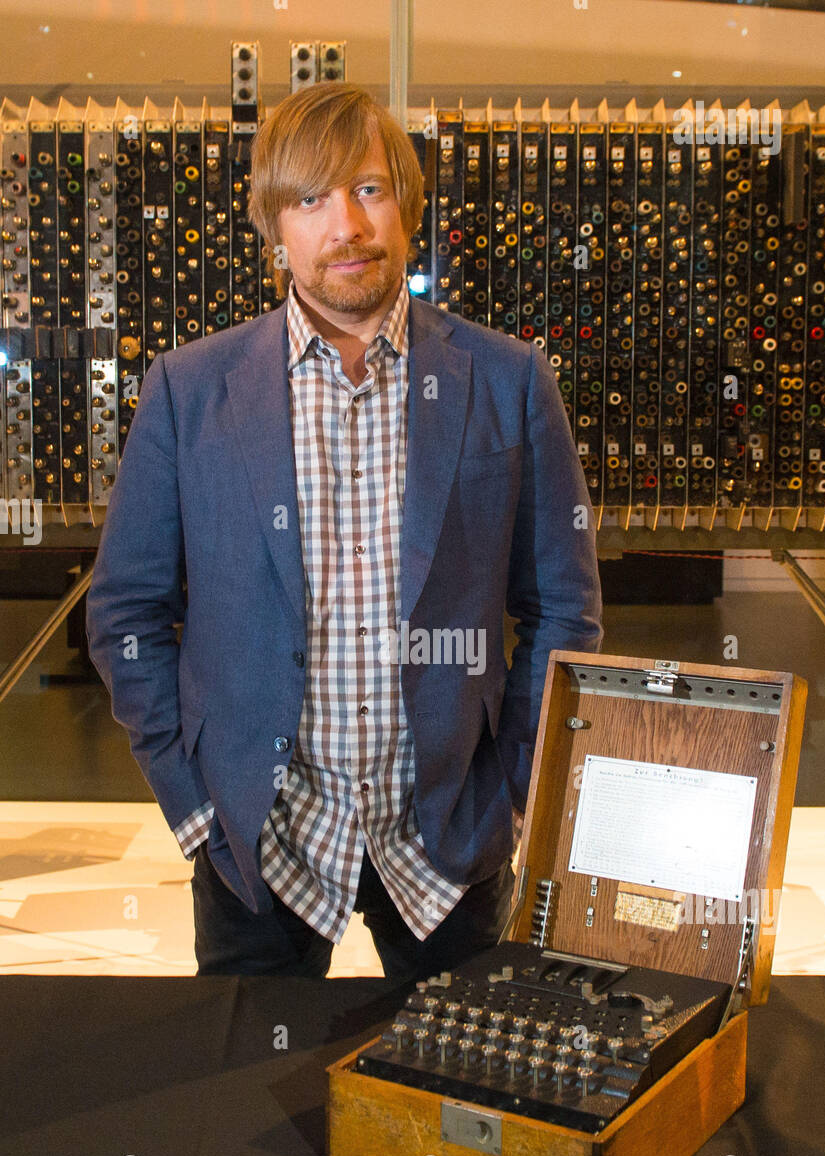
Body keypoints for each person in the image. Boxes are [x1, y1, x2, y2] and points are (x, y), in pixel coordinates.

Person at [86, 82, 603, 981]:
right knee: (251, 1106)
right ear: (273, 227)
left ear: (407, 203)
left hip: (449, 837)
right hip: (260, 841)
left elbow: (563, 610)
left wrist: (515, 791)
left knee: (460, 1112)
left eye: (368, 188)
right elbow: (124, 613)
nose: (345, 226)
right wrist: (195, 807)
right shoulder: (190, 390)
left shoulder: (507, 379)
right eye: (310, 198)